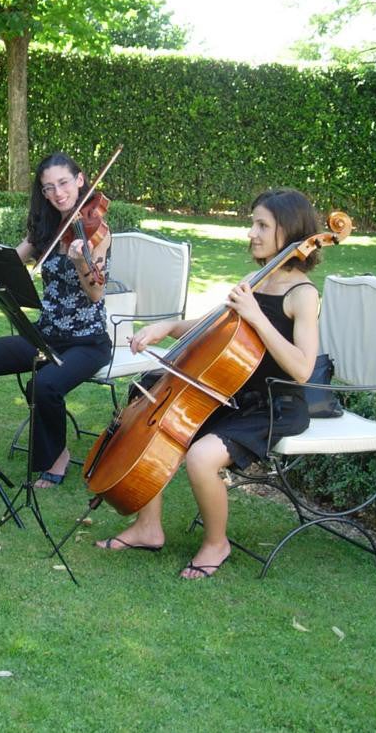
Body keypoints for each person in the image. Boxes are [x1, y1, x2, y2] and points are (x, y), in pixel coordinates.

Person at [93, 188, 322, 579]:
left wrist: (257, 316)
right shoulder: (256, 278)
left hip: (274, 406)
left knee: (201, 456)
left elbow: (302, 368)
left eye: (262, 225)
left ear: (291, 232)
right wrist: (166, 327)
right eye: (253, 223)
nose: (252, 232)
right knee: (161, 425)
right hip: (231, 393)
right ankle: (149, 528)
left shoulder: (302, 295)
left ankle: (217, 543)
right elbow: (212, 327)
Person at [0, 151, 112, 488]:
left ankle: (56, 455)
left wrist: (79, 263)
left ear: (80, 181)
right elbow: (9, 264)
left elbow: (95, 294)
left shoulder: (98, 231)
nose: (58, 193)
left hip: (88, 342)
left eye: (63, 183)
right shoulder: (44, 230)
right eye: (48, 188)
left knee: (44, 385)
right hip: (45, 336)